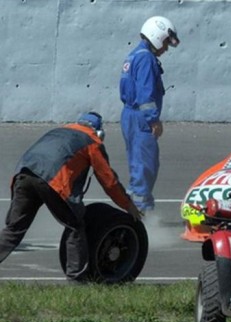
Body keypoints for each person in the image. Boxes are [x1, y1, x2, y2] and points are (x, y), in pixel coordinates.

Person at [0, 112, 141, 282]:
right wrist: (127, 205)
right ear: (99, 132)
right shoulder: (92, 141)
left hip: (23, 175)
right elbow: (108, 180)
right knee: (75, 226)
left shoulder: (57, 132)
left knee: (14, 229)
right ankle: (76, 280)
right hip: (52, 181)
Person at [120, 16, 180, 212]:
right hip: (141, 120)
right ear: (156, 36)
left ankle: (140, 206)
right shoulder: (146, 58)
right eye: (165, 43)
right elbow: (146, 95)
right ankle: (141, 213)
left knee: (139, 165)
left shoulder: (135, 55)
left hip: (130, 116)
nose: (166, 48)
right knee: (145, 167)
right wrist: (153, 120)